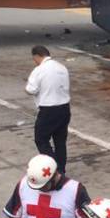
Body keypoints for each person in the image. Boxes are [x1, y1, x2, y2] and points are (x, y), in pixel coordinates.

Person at [26, 45, 71, 174]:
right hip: (64, 108)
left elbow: (31, 89)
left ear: (36, 56)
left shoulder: (39, 70)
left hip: (49, 110)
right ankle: (61, 170)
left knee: (41, 139)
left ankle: (53, 169)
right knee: (60, 142)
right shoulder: (62, 67)